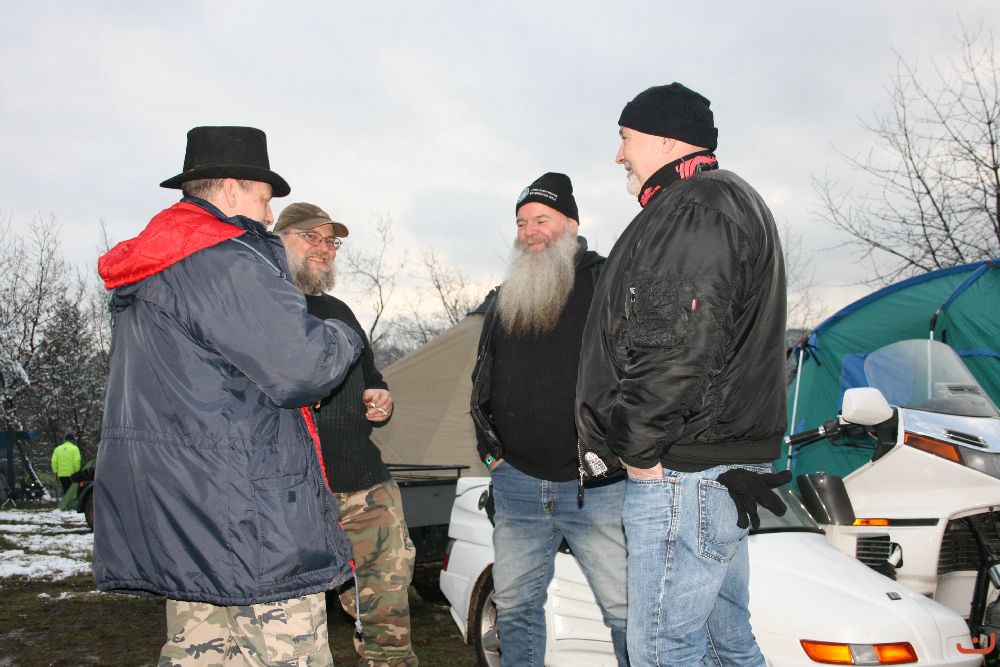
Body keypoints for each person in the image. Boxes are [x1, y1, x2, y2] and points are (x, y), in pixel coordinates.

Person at [94, 126, 363, 666]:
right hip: (250, 522)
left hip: (191, 521)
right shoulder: (222, 260)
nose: (268, 216)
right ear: (233, 189)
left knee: (201, 653)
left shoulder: (160, 264)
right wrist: (344, 333)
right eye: (264, 200)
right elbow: (302, 366)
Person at [575, 83, 791, 666]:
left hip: (684, 469)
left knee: (661, 648)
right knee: (726, 643)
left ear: (667, 139)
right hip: (711, 467)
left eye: (626, 138)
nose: (618, 154)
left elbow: (674, 342)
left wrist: (638, 447)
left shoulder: (695, 208)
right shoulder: (717, 202)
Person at [470, 173, 629, 667]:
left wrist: (625, 450)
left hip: (596, 486)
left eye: (542, 219)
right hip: (517, 483)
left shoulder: (608, 283)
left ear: (572, 225)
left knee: (626, 610)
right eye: (522, 223)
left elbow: (641, 372)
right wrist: (492, 455)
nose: (530, 232)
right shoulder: (506, 296)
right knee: (515, 608)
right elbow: (483, 378)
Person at [274, 202, 418, 667]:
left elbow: (372, 378)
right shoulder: (261, 308)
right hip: (291, 496)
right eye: (310, 237)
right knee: (289, 631)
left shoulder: (339, 311)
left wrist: (380, 397)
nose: (324, 248)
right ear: (278, 239)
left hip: (365, 487)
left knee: (387, 622)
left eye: (330, 241)